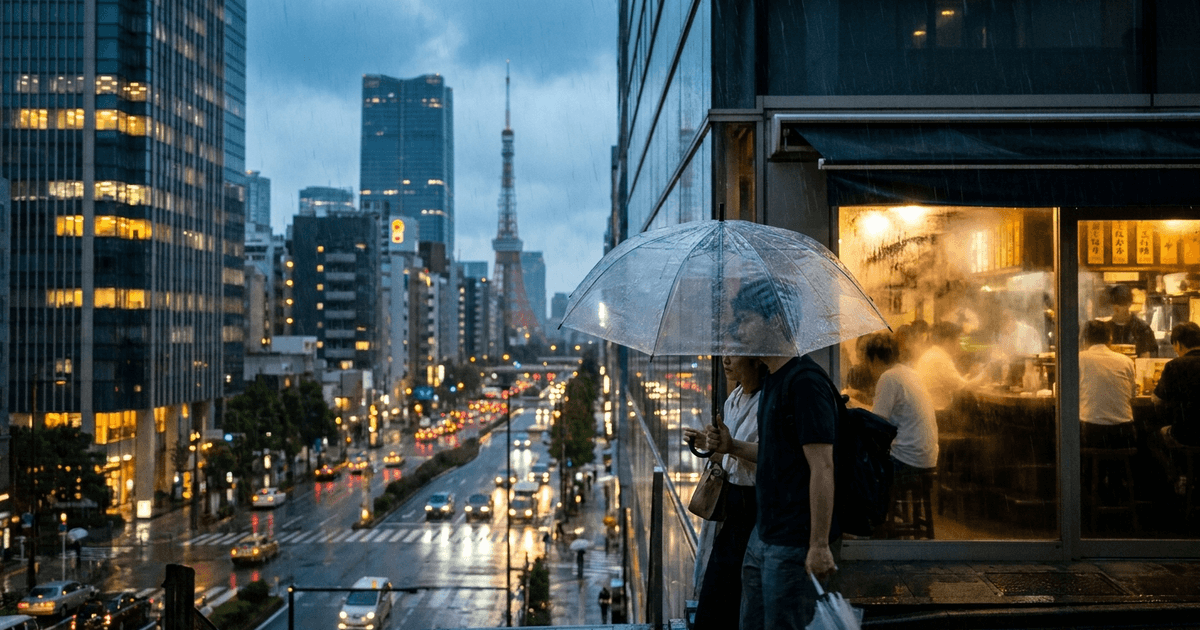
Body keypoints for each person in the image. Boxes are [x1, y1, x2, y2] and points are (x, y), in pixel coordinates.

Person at [729, 280, 839, 630]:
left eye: (745, 319)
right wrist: (729, 447)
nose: (738, 330)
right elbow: (774, 456)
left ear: (776, 321)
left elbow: (822, 467)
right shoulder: (773, 380)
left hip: (792, 542)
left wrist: (819, 545)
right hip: (764, 533)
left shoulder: (804, 382)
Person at [683, 355, 765, 630]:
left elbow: (776, 455)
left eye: (735, 353)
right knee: (717, 598)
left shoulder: (768, 400)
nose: (726, 360)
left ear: (756, 359)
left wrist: (730, 446)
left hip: (755, 510)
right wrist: (708, 442)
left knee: (730, 597)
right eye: (724, 353)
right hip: (732, 509)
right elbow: (726, 454)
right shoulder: (735, 397)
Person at [864, 333, 939, 476]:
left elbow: (876, 424)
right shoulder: (911, 373)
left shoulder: (888, 377)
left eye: (867, 362)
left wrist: (853, 408)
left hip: (906, 461)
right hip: (928, 460)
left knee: (857, 462)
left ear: (874, 359)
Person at [1149, 322, 1200, 490]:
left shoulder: (1174, 366)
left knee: (1152, 436)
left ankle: (1178, 476)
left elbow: (1158, 400)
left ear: (1177, 343)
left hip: (1186, 434)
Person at [1078, 320, 1137, 449]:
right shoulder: (1127, 361)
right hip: (1123, 434)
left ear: (1085, 340)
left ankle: (1085, 468)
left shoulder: (1079, 359)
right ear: (1110, 339)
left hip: (1090, 433)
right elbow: (1133, 395)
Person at [915, 321, 986, 416]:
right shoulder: (940, 358)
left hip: (925, 413)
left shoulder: (929, 354)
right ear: (948, 341)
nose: (960, 344)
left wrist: (968, 376)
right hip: (939, 415)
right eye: (958, 340)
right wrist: (986, 372)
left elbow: (955, 383)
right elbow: (966, 388)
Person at [1105, 284, 1158, 357]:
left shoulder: (1142, 328)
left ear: (1129, 304)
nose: (1116, 307)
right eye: (1114, 303)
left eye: (1121, 303)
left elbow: (1149, 356)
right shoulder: (1105, 329)